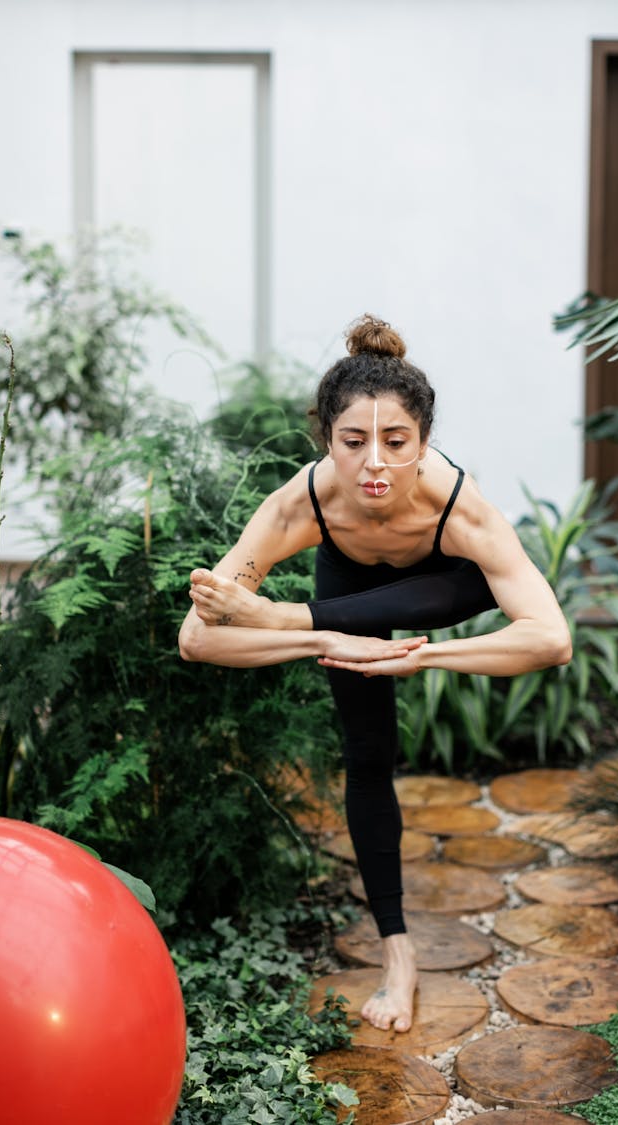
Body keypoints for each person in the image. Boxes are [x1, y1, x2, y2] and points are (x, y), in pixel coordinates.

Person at [178, 314, 572, 1034]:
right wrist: (336, 637)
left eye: (397, 443)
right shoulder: (300, 504)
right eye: (353, 443)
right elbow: (197, 639)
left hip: (446, 588)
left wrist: (417, 653)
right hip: (344, 603)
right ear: (326, 439)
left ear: (423, 440)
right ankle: (398, 952)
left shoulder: (461, 507)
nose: (375, 465)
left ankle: (303, 616)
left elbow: (551, 638)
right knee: (367, 755)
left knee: (385, 606)